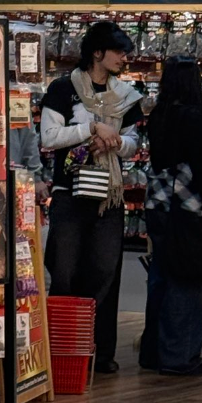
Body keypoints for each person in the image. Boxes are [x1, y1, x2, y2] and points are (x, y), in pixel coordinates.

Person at [40, 21, 143, 373]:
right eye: (118, 51)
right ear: (97, 52)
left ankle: (98, 351)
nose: (124, 58)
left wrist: (115, 141)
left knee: (104, 271)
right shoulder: (62, 89)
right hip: (70, 194)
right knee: (65, 269)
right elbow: (50, 137)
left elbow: (132, 144)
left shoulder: (126, 96)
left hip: (108, 198)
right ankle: (62, 351)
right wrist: (91, 130)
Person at [139, 57, 202, 377]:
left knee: (161, 277)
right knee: (191, 281)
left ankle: (154, 351)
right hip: (186, 206)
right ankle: (180, 355)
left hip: (157, 204)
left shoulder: (158, 115)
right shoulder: (193, 118)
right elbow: (200, 168)